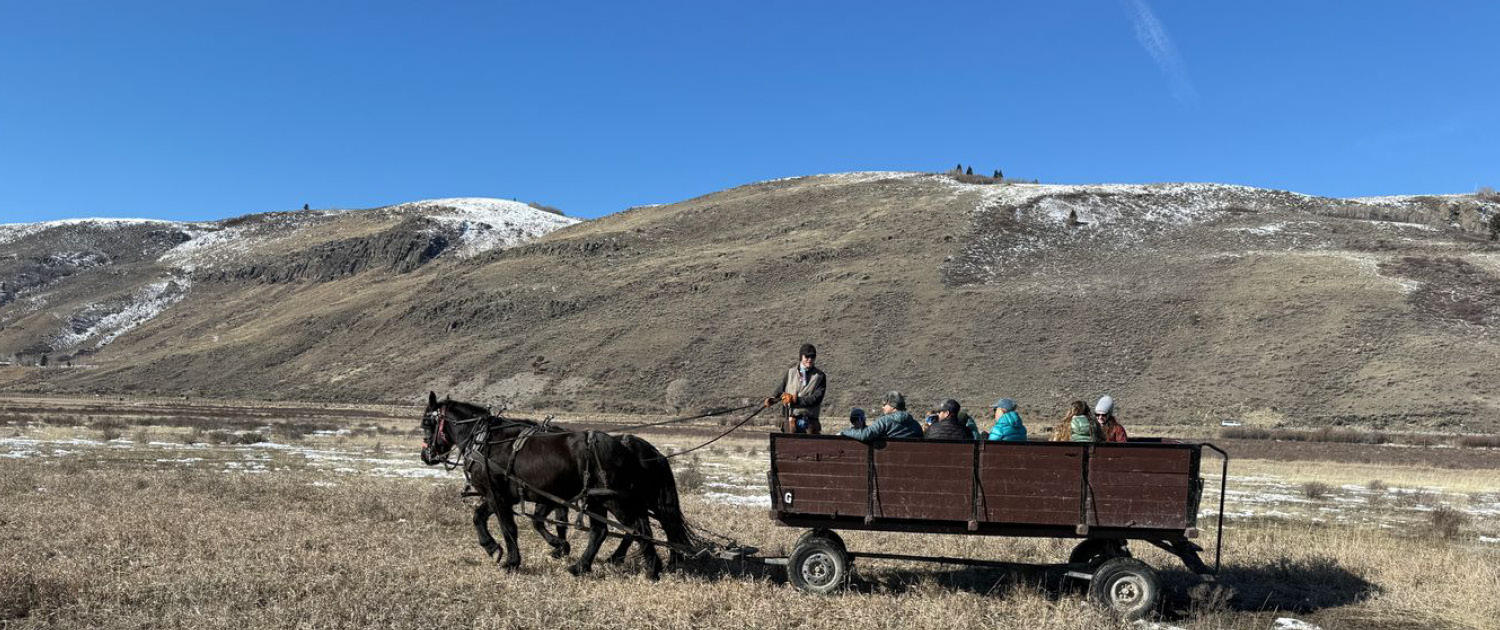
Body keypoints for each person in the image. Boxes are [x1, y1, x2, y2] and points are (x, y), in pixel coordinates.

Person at [764, 343, 826, 434]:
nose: (810, 359)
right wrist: (772, 399)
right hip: (790, 421)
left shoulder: (820, 376)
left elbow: (817, 399)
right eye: (807, 356)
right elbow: (782, 388)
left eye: (813, 357)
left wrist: (796, 400)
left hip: (810, 423)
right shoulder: (790, 372)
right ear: (801, 356)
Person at [839, 391, 923, 442]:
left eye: (885, 404)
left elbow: (865, 435)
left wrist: (844, 432)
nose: (882, 407)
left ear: (893, 406)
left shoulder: (885, 421)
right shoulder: (916, 425)